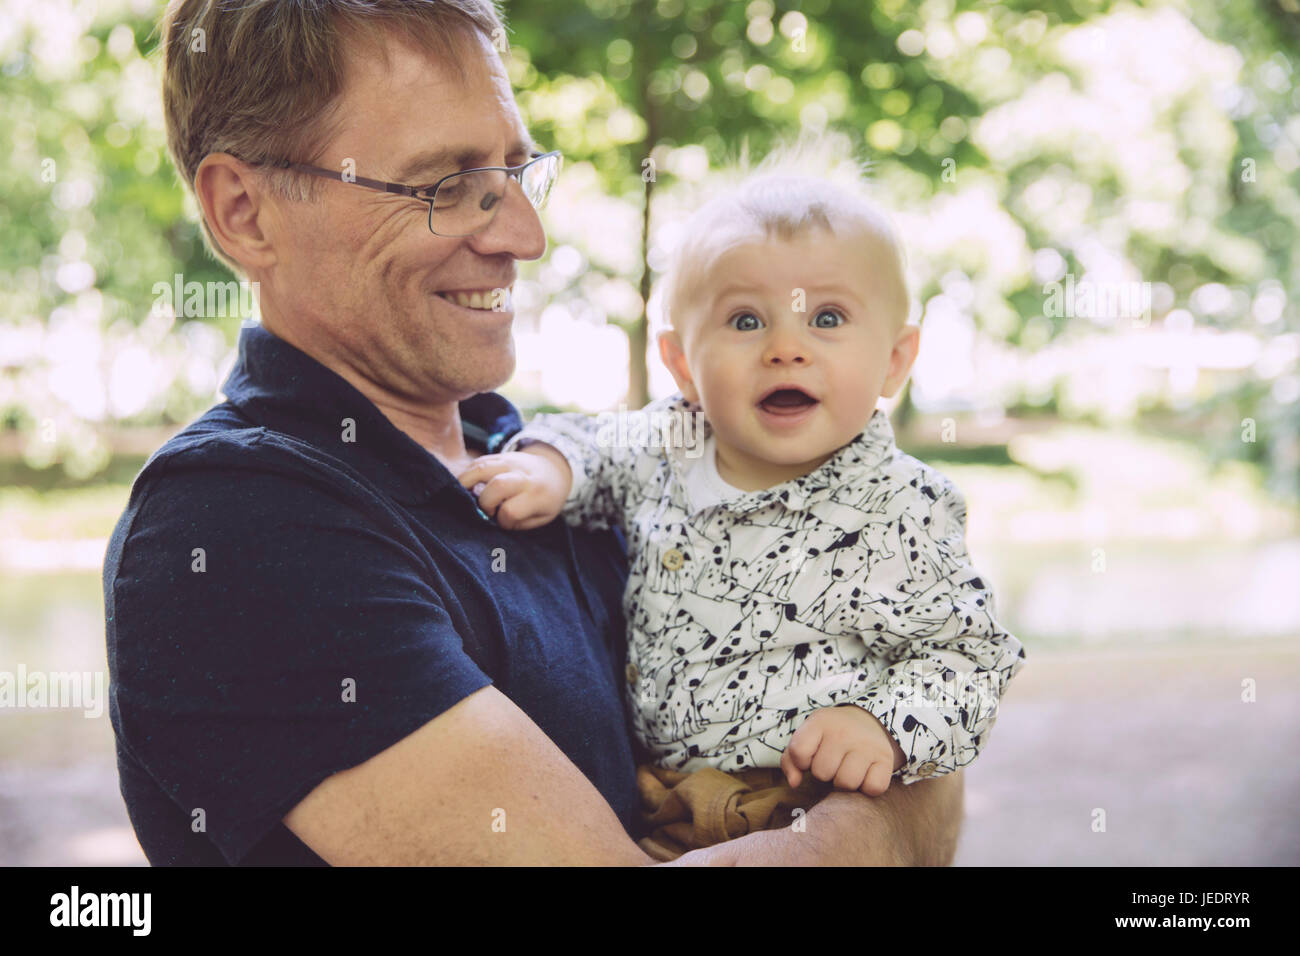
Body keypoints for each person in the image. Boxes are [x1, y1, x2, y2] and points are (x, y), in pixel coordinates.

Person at [103, 0, 965, 865]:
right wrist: (864, 832)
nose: (527, 235)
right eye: (445, 185)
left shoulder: (549, 461)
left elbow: (914, 671)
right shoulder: (231, 526)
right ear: (245, 211)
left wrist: (888, 758)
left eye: (518, 171)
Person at [457, 147, 1026, 860]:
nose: (787, 348)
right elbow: (595, 441)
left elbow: (969, 657)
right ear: (683, 364)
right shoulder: (669, 443)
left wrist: (881, 725)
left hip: (807, 799)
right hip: (665, 801)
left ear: (894, 360)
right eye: (747, 322)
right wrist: (554, 468)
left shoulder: (901, 505)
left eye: (827, 317)